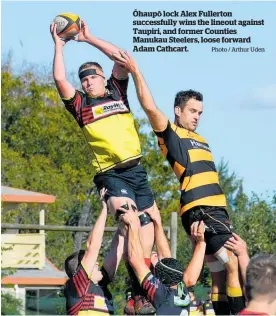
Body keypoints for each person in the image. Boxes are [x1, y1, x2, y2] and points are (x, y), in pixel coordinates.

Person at [112, 51, 245, 315]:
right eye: (192, 111)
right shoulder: (172, 135)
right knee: (234, 263)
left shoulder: (201, 139)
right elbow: (150, 108)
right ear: (177, 110)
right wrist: (137, 72)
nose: (197, 116)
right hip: (205, 209)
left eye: (200, 112)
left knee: (218, 274)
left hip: (211, 210)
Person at [50, 20, 155, 314]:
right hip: (111, 174)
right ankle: (137, 297)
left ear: (102, 78)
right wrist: (59, 45)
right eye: (82, 79)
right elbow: (60, 79)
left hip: (138, 172)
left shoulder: (117, 92)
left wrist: (89, 38)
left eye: (91, 77)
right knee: (131, 220)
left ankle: (131, 289)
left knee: (148, 229)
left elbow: (124, 59)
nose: (86, 82)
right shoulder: (81, 105)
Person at [119, 202, 207, 315]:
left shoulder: (162, 294)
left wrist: (132, 224)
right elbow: (170, 262)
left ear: (162, 280)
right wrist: (157, 222)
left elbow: (135, 260)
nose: (155, 258)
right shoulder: (181, 291)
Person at [64, 188, 123, 315]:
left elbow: (115, 251)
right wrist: (104, 210)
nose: (97, 264)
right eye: (93, 262)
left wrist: (124, 222)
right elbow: (92, 247)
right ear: (80, 270)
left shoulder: (101, 286)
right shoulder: (78, 288)